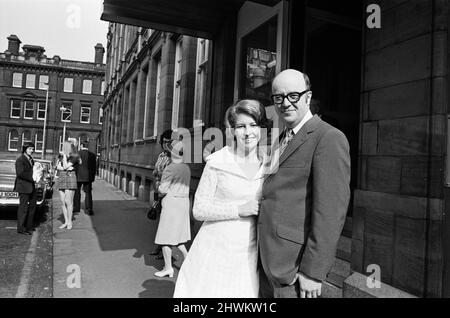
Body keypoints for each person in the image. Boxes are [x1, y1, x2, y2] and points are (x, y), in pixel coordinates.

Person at [258, 69, 351, 298]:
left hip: (294, 267)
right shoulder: (282, 138)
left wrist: (313, 271)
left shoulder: (328, 137)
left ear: (308, 97)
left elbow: (331, 211)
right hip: (267, 259)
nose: (285, 103)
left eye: (293, 96)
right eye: (278, 97)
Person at [173, 99, 268, 298]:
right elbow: (198, 210)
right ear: (232, 131)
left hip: (249, 252)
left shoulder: (268, 164)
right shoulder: (218, 162)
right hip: (216, 249)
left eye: (253, 125)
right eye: (241, 126)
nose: (248, 132)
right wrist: (238, 210)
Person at [153, 140, 191, 278]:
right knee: (179, 237)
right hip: (183, 203)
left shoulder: (170, 168)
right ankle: (189, 261)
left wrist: (158, 185)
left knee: (165, 238)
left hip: (171, 204)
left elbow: (163, 189)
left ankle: (168, 268)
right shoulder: (186, 168)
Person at [148, 129, 173, 259]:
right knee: (159, 220)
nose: (165, 144)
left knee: (166, 222)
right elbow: (155, 171)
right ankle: (160, 247)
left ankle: (165, 249)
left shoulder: (173, 157)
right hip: (158, 190)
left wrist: (159, 174)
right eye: (163, 142)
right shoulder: (161, 156)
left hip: (168, 193)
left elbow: (169, 175)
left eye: (168, 142)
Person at [14, 142, 38, 235]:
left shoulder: (31, 159)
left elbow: (34, 171)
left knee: (32, 207)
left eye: (32, 149)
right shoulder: (20, 160)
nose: (32, 151)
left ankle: (29, 227)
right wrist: (33, 177)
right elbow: (20, 173)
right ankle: (21, 228)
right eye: (30, 149)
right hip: (23, 186)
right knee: (23, 208)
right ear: (25, 149)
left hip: (32, 186)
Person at [55, 141, 80, 230]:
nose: (62, 148)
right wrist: (65, 167)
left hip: (70, 177)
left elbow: (64, 166)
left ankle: (69, 222)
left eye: (64, 146)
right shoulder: (61, 156)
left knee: (68, 201)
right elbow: (57, 166)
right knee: (62, 201)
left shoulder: (74, 156)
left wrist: (65, 159)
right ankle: (65, 221)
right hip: (62, 177)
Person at [74, 141, 97, 215]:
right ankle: (89, 208)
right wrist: (92, 178)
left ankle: (76, 207)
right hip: (88, 177)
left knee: (77, 192)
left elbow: (75, 166)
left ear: (81, 145)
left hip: (78, 176)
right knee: (88, 193)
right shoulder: (93, 155)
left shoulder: (77, 154)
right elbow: (94, 168)